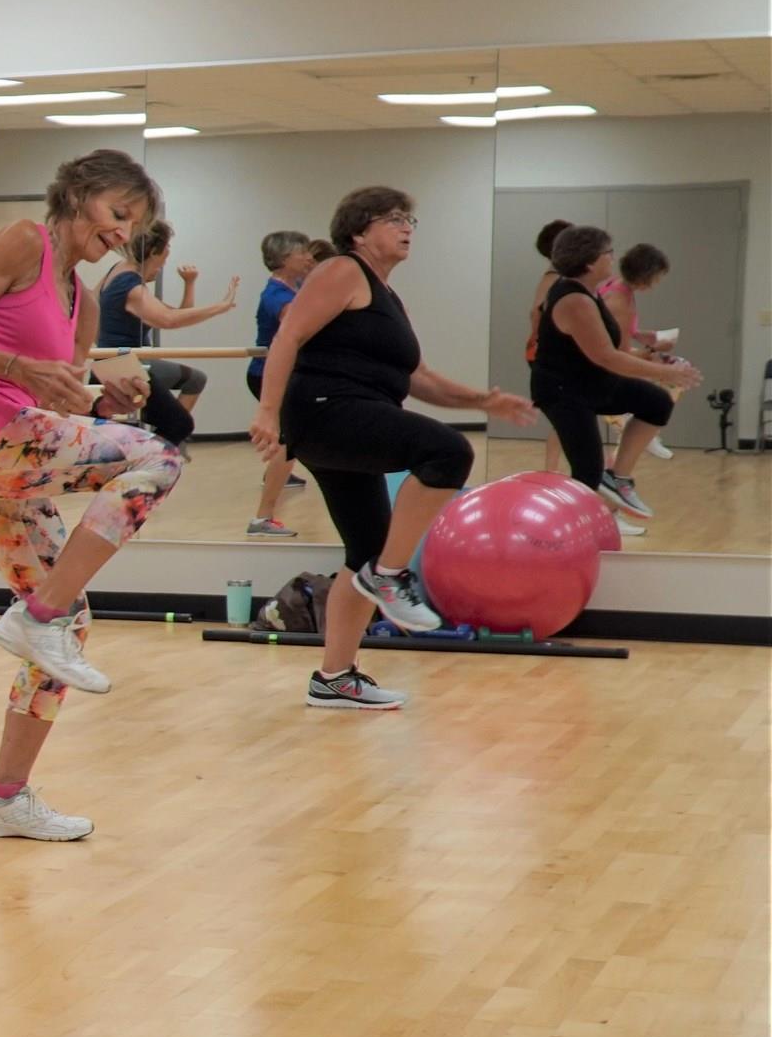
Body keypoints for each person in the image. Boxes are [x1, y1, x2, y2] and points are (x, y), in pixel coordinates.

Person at [0, 150, 185, 840]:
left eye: (134, 224)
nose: (123, 232)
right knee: (158, 457)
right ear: (77, 196)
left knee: (69, 623)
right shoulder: (22, 241)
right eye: (118, 213)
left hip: (2, 454)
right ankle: (38, 613)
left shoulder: (81, 301)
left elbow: (56, 391)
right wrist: (21, 368)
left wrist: (104, 399)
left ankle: (3, 797)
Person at [251, 186, 533, 711]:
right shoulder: (341, 271)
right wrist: (267, 410)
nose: (406, 228)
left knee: (363, 552)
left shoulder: (386, 296)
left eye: (409, 220)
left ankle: (334, 677)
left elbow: (417, 377)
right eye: (393, 219)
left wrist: (481, 400)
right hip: (326, 411)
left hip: (350, 419)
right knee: (448, 452)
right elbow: (288, 336)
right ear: (359, 232)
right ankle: (390, 575)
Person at [532, 224, 694, 526]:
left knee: (656, 402)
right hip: (563, 392)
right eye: (608, 253)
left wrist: (651, 350)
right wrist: (666, 371)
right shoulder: (575, 300)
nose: (613, 258)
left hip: (590, 383)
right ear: (590, 262)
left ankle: (618, 478)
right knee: (587, 471)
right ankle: (570, 528)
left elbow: (613, 342)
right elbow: (607, 356)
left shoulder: (589, 291)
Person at [93, 219, 238, 448]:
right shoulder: (131, 286)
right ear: (152, 252)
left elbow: (177, 314)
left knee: (193, 384)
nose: (162, 266)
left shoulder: (118, 272)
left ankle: (161, 448)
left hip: (115, 362)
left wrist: (189, 284)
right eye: (163, 259)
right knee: (180, 424)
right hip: (123, 366)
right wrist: (220, 306)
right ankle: (153, 455)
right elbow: (168, 320)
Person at [246, 229, 315, 536]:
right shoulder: (276, 295)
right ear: (285, 258)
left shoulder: (295, 286)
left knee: (291, 443)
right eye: (303, 253)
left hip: (285, 375)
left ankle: (276, 479)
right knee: (287, 443)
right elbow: (300, 327)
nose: (309, 258)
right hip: (267, 375)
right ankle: (262, 518)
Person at [603, 243, 688, 464]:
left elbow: (621, 331)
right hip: (605, 363)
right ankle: (636, 425)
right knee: (676, 371)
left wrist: (646, 337)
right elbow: (620, 356)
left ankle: (636, 427)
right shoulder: (620, 302)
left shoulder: (618, 287)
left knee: (675, 368)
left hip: (609, 354)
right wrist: (653, 350)